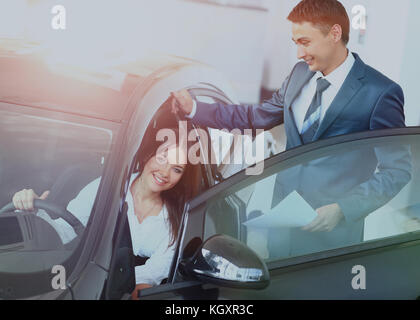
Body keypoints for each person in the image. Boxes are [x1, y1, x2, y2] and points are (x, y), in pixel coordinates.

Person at [170, 0, 411, 255]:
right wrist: (195, 109)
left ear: (335, 34)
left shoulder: (380, 92)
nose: (298, 53)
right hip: (282, 227)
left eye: (305, 42)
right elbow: (257, 117)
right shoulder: (299, 73)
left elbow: (397, 170)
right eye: (295, 42)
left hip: (332, 239)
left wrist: (343, 209)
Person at [12, 126, 201, 299]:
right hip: (83, 279)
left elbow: (156, 270)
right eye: (162, 158)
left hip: (124, 292)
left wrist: (126, 287)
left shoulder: (177, 216)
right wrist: (32, 208)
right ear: (148, 155)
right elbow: (65, 231)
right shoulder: (106, 189)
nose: (165, 172)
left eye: (177, 169)